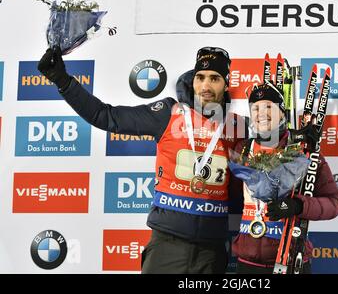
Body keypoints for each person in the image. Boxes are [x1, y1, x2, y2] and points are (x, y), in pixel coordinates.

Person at [38, 46, 247, 274]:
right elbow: (105, 116)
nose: (205, 86)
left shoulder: (238, 127)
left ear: (226, 83)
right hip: (167, 246)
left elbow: (237, 191)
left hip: (212, 252)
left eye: (214, 78)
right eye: (200, 77)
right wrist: (64, 82)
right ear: (193, 79)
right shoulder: (168, 113)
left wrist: (229, 239)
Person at [231, 82, 338, 274]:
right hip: (248, 263)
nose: (261, 113)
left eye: (268, 107)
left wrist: (298, 206)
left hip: (290, 260)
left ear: (282, 112)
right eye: (255, 108)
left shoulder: (304, 152)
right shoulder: (243, 150)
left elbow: (335, 203)